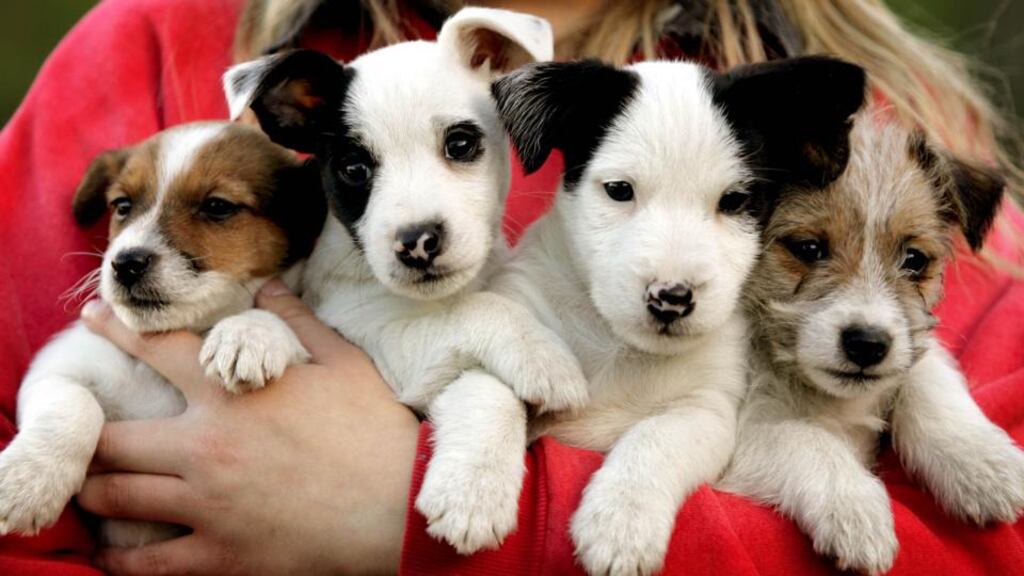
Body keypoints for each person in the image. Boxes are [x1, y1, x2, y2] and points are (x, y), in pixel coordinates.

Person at [1, 0, 1022, 574]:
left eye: (464, 145)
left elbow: (989, 547)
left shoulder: (869, 127)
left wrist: (414, 513)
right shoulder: (159, 49)